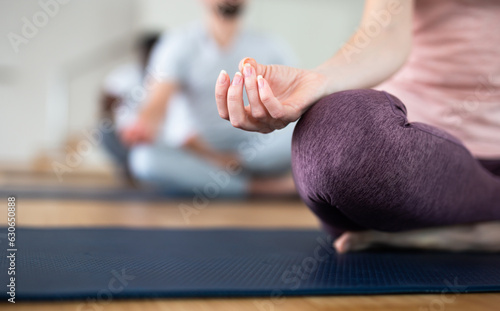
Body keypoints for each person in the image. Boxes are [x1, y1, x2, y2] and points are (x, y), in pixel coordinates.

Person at [215, 0, 500, 252]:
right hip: (412, 161)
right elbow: (383, 35)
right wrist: (319, 80)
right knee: (336, 140)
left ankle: (463, 226)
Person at [121, 0, 297, 197]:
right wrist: (143, 125)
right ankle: (263, 188)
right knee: (144, 160)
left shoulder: (272, 46)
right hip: (199, 150)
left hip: (255, 146)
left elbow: (290, 103)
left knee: (304, 134)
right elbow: (157, 101)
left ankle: (229, 172)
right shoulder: (177, 44)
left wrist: (234, 159)